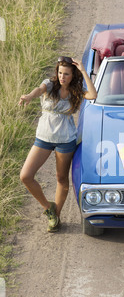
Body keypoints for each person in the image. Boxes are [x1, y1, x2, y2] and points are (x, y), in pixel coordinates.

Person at [19, 56, 97, 232]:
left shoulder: (77, 91)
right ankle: (49, 208)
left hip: (65, 140)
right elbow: (38, 90)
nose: (62, 77)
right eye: (60, 73)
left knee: (61, 179)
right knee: (26, 176)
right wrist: (29, 96)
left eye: (67, 74)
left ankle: (56, 218)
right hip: (43, 138)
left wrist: (84, 71)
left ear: (72, 75)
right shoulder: (50, 84)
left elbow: (93, 94)